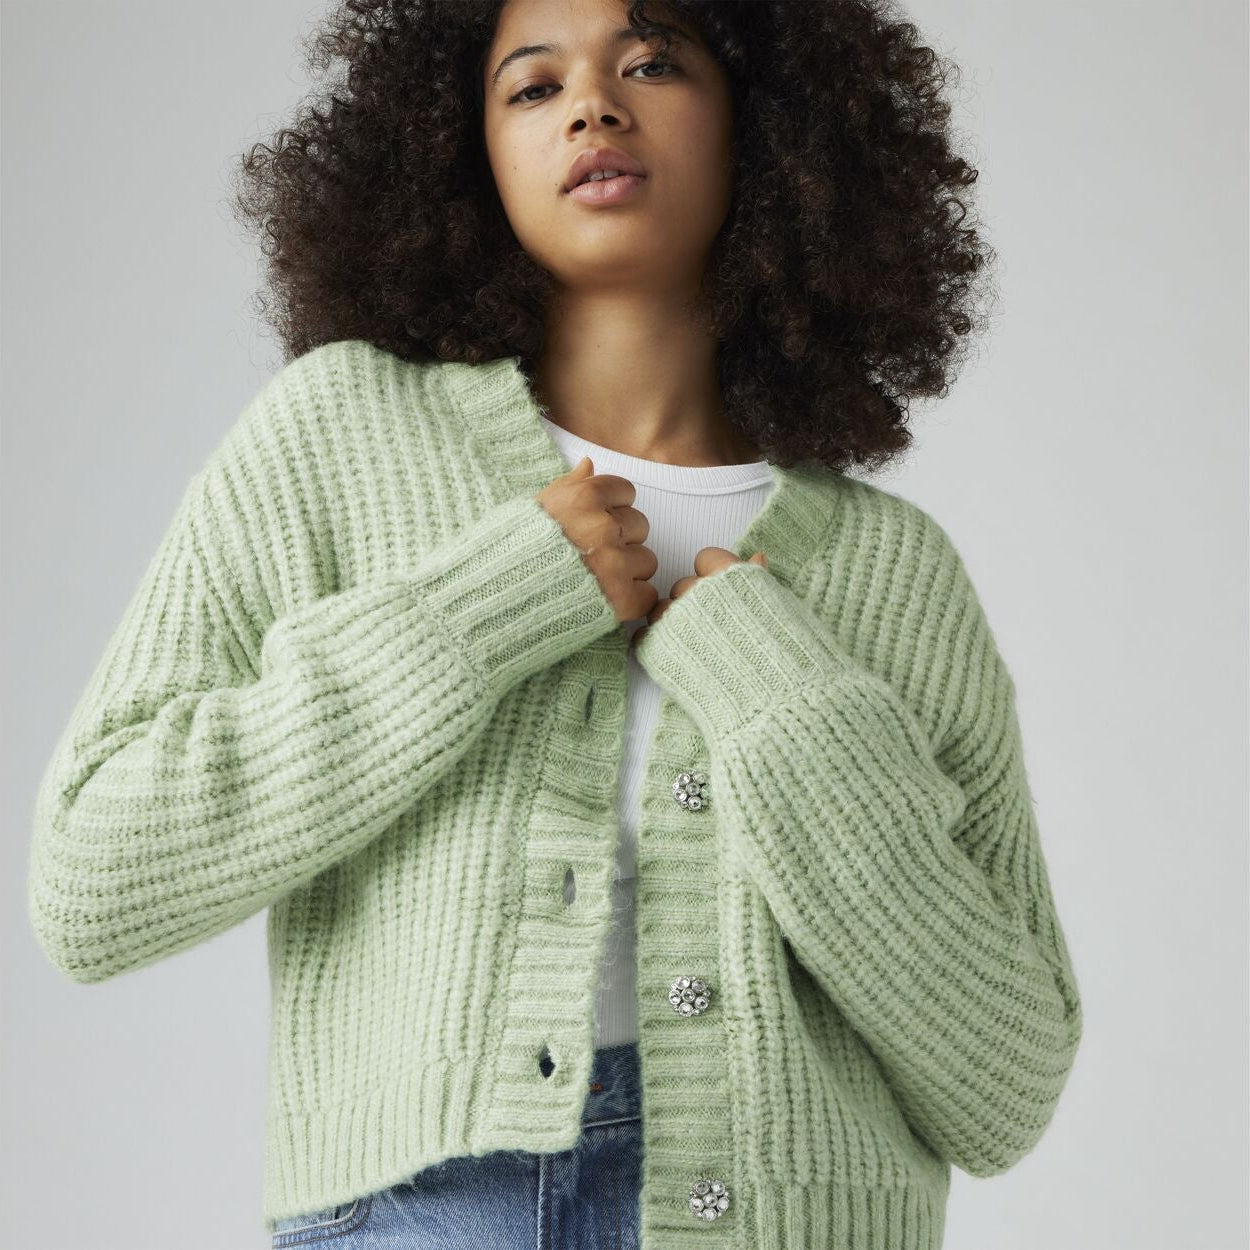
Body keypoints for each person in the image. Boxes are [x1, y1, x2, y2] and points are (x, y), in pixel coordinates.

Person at [28, 1, 1084, 1247]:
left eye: (651, 62)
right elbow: (93, 880)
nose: (592, 105)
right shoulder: (338, 435)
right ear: (459, 149)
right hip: (433, 1209)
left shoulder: (890, 568)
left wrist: (773, 686)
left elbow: (1006, 1082)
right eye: (532, 87)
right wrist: (484, 604)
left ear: (766, 120)